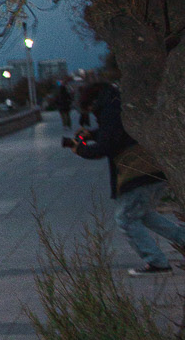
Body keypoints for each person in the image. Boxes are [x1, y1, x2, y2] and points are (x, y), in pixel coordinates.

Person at [65, 79, 185, 273]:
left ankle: (156, 261)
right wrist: (92, 134)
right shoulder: (117, 104)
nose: (90, 114)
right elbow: (117, 133)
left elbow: (106, 146)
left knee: (125, 219)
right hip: (151, 169)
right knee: (145, 215)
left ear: (92, 102)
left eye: (88, 110)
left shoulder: (109, 111)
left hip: (138, 173)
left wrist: (81, 149)